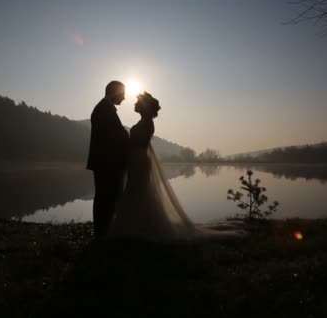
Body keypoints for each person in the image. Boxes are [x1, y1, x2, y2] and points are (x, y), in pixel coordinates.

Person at [108, 92, 245, 240]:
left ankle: (136, 226)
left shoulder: (147, 123)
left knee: (137, 191)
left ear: (144, 106)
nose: (134, 104)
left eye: (137, 102)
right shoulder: (144, 121)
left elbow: (138, 144)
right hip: (136, 161)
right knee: (137, 191)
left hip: (139, 162)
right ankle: (139, 224)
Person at [86, 81, 129, 237]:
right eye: (123, 94)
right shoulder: (104, 110)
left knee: (105, 198)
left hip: (106, 163)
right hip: (107, 163)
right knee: (105, 198)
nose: (124, 98)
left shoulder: (106, 108)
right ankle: (102, 233)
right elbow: (116, 137)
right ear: (115, 92)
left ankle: (102, 232)